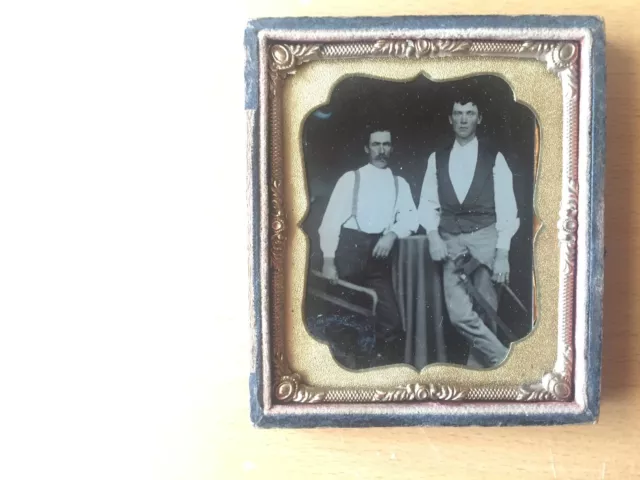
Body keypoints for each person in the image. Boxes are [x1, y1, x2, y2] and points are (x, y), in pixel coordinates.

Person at [418, 95, 520, 368]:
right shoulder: (436, 158)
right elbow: (427, 203)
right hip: (451, 242)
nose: (464, 119)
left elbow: (508, 207)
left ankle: (481, 376)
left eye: (470, 113)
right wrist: (432, 235)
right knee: (460, 315)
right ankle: (503, 360)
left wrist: (502, 253)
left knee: (487, 312)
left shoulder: (493, 157)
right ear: (450, 119)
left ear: (479, 118)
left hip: (486, 239)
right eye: (458, 113)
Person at [318, 127, 418, 365]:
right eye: (376, 144)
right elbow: (330, 221)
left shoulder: (399, 183)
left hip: (378, 259)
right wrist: (329, 260)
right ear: (366, 148)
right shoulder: (351, 178)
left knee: (390, 320)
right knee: (343, 319)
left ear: (391, 148)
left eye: (386, 144)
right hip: (349, 253)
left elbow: (412, 218)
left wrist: (392, 233)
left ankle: (381, 375)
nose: (381, 150)